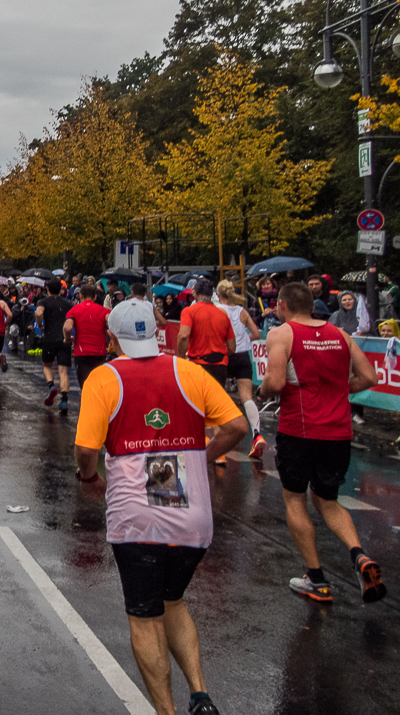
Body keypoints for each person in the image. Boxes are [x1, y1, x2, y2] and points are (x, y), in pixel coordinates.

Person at [74, 298, 246, 715]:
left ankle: (166, 712)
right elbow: (238, 426)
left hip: (137, 514)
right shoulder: (190, 371)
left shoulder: (105, 376)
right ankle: (201, 695)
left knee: (145, 614)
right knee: (173, 600)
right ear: (156, 330)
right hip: (189, 508)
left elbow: (85, 448)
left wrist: (89, 477)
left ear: (112, 338)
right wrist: (203, 457)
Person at [256, 282, 386, 605]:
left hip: (299, 431)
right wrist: (339, 391)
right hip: (338, 432)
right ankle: (359, 555)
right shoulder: (340, 335)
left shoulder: (282, 334)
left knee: (295, 500)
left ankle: (316, 579)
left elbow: (274, 382)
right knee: (328, 501)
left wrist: (261, 394)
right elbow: (370, 378)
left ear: (283, 305)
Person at [215, 279, 266, 459]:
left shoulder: (218, 311)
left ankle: (219, 443)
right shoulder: (241, 311)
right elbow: (257, 334)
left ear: (218, 294)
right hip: (243, 355)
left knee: (217, 395)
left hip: (224, 355)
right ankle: (257, 434)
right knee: (247, 397)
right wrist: (243, 341)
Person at [63, 283, 111, 390]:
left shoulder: (74, 311)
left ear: (80, 295)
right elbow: (112, 324)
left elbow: (67, 327)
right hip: (100, 353)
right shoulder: (104, 311)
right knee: (99, 385)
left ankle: (87, 405)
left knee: (85, 386)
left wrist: (67, 339)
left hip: (82, 354)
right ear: (95, 297)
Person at [35, 279, 72, 413]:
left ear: (47, 289)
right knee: (63, 371)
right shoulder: (67, 304)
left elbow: (38, 313)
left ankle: (51, 386)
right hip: (64, 339)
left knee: (47, 365)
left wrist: (40, 324)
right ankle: (64, 400)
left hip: (50, 338)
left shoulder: (44, 301)